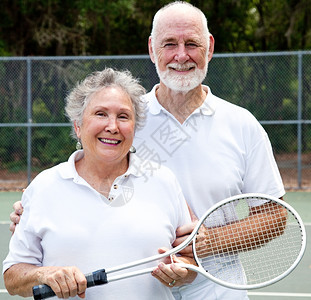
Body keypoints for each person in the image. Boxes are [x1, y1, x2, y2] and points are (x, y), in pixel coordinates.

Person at [8, 2, 286, 299]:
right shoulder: (125, 114)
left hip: (214, 287)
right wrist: (36, 213)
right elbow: (81, 180)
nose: (181, 55)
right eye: (169, 44)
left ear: (210, 47)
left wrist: (209, 242)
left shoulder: (242, 124)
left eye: (192, 43)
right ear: (152, 49)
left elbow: (276, 215)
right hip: (139, 285)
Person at [2, 68, 196, 299]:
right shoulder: (44, 187)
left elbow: (189, 260)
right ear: (78, 126)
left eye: (123, 116)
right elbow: (13, 277)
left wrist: (182, 272)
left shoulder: (164, 181)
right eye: (101, 114)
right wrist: (45, 275)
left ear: (134, 127)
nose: (112, 126)